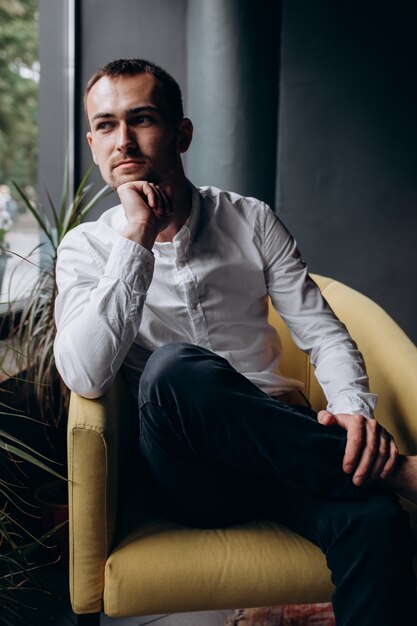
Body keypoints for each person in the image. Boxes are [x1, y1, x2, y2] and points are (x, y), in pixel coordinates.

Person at [54, 59, 417, 625]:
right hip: (191, 474)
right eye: (105, 125)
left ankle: (360, 474)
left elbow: (322, 332)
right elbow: (84, 375)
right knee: (174, 370)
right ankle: (394, 470)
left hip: (285, 451)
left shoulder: (250, 219)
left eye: (142, 119)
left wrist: (351, 412)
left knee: (378, 523)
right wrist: (138, 240)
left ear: (182, 133)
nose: (122, 140)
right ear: (92, 142)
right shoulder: (86, 248)